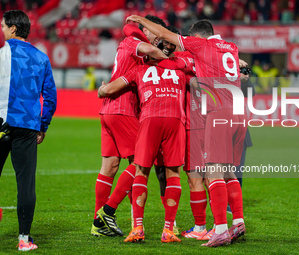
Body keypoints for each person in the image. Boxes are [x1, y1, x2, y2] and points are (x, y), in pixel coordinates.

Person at [126, 16, 247, 247]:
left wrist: (141, 20)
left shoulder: (201, 46)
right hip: (239, 113)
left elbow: (168, 40)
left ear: (198, 37)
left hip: (217, 113)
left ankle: (219, 229)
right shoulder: (230, 48)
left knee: (212, 173)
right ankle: (238, 221)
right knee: (229, 172)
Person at [97, 63, 194, 243]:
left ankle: (137, 227)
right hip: (175, 119)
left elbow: (112, 88)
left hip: (149, 118)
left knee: (141, 170)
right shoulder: (181, 69)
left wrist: (102, 90)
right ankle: (169, 229)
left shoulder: (138, 69)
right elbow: (202, 83)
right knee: (172, 173)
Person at [91, 15, 168, 237]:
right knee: (143, 161)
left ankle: (98, 223)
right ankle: (109, 211)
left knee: (110, 166)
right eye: (156, 32)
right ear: (146, 30)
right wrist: (171, 57)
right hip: (122, 110)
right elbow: (153, 52)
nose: (159, 37)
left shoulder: (129, 44)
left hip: (108, 110)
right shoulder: (134, 41)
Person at [0, 10, 57, 251]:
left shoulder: (1, 55)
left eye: (3, 25)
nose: (1, 29)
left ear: (13, 28)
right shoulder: (42, 57)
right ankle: (24, 239)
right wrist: (42, 126)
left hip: (1, 124)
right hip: (27, 127)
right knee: (26, 183)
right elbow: (51, 97)